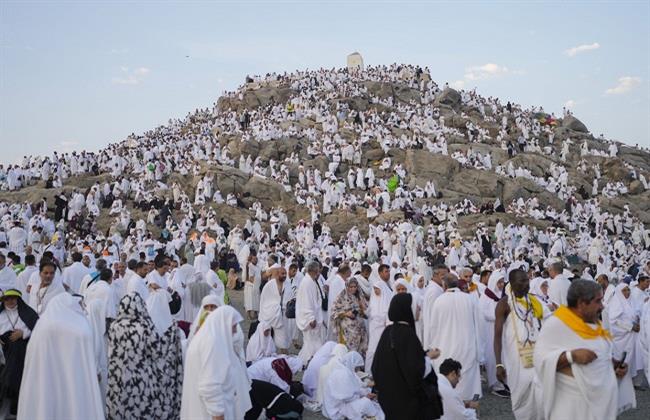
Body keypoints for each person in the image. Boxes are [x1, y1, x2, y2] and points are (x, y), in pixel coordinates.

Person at [534, 280, 628, 420]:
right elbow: (540, 361)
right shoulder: (556, 325)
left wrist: (614, 365)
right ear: (581, 303)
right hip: (572, 408)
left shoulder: (595, 323)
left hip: (601, 406)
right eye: (598, 301)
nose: (602, 306)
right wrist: (571, 356)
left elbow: (600, 354)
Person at [18, 293, 104, 420]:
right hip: (76, 379)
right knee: (74, 406)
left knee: (47, 406)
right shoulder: (81, 328)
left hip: (46, 379)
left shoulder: (42, 327)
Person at [372, 293, 443, 420]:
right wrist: (428, 358)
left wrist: (424, 354)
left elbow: (378, 365)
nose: (418, 309)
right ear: (407, 309)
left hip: (389, 399)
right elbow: (416, 371)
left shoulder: (388, 331)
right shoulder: (408, 334)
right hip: (406, 401)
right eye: (415, 307)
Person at [181, 305, 252, 420]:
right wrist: (218, 414)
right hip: (212, 413)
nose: (235, 331)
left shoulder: (207, 338)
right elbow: (210, 385)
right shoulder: (211, 343)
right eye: (233, 326)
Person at [494, 269, 546, 420]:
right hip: (516, 359)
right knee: (521, 399)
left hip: (537, 355)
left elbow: (548, 319)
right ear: (512, 283)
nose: (526, 284)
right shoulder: (504, 304)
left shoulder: (534, 301)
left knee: (541, 396)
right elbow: (497, 336)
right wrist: (498, 364)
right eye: (521, 281)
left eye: (527, 280)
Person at [107, 293, 165, 419]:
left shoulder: (114, 326)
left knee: (121, 408)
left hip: (118, 377)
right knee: (140, 408)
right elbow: (157, 351)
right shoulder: (145, 325)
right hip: (141, 378)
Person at [427, 273, 482, 401]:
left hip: (445, 347)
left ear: (444, 285)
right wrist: (480, 350)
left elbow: (433, 328)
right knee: (467, 382)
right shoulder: (469, 299)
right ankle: (470, 409)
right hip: (467, 346)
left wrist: (432, 347)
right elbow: (478, 324)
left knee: (448, 383)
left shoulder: (439, 301)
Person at [0, 289, 38, 417]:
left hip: (22, 355)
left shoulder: (28, 313)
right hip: (3, 353)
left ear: (18, 299)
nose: (10, 301)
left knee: (9, 379)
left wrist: (23, 333)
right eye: (7, 298)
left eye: (13, 298)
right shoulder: (1, 314)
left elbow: (38, 329)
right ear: (3, 300)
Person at [321, 350, 384, 419]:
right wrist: (363, 397)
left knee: (367, 394)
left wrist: (364, 394)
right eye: (357, 367)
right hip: (337, 410)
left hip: (339, 405)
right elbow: (346, 397)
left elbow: (355, 388)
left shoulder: (345, 370)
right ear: (352, 363)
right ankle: (376, 416)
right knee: (366, 403)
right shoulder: (342, 374)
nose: (357, 369)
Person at [296, 261, 328, 364]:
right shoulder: (307, 283)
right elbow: (306, 303)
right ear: (313, 271)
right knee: (311, 343)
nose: (319, 273)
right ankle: (308, 362)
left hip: (314, 317)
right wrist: (311, 318)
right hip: (310, 320)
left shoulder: (311, 281)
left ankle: (311, 362)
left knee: (313, 342)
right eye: (318, 271)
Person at [329, 277, 368, 355]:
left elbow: (366, 313)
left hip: (360, 328)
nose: (353, 289)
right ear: (347, 286)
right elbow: (333, 312)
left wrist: (361, 308)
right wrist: (346, 313)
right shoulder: (341, 297)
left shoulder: (359, 296)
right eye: (351, 287)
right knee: (350, 351)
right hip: (348, 330)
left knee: (361, 349)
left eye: (355, 287)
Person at [258, 267, 290, 352]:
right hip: (270, 316)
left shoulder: (288, 285)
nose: (284, 275)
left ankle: (283, 359)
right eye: (282, 273)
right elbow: (263, 301)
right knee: (267, 342)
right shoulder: (269, 285)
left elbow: (290, 299)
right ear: (277, 274)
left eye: (285, 274)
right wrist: (273, 308)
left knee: (283, 343)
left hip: (282, 317)